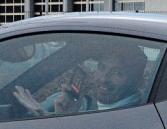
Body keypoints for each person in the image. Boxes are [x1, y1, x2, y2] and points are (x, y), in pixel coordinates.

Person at [13, 43, 148, 118]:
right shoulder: (125, 110)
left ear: (137, 82)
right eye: (101, 67)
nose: (102, 78)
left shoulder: (127, 116)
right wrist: (66, 117)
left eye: (118, 73)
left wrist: (45, 116)